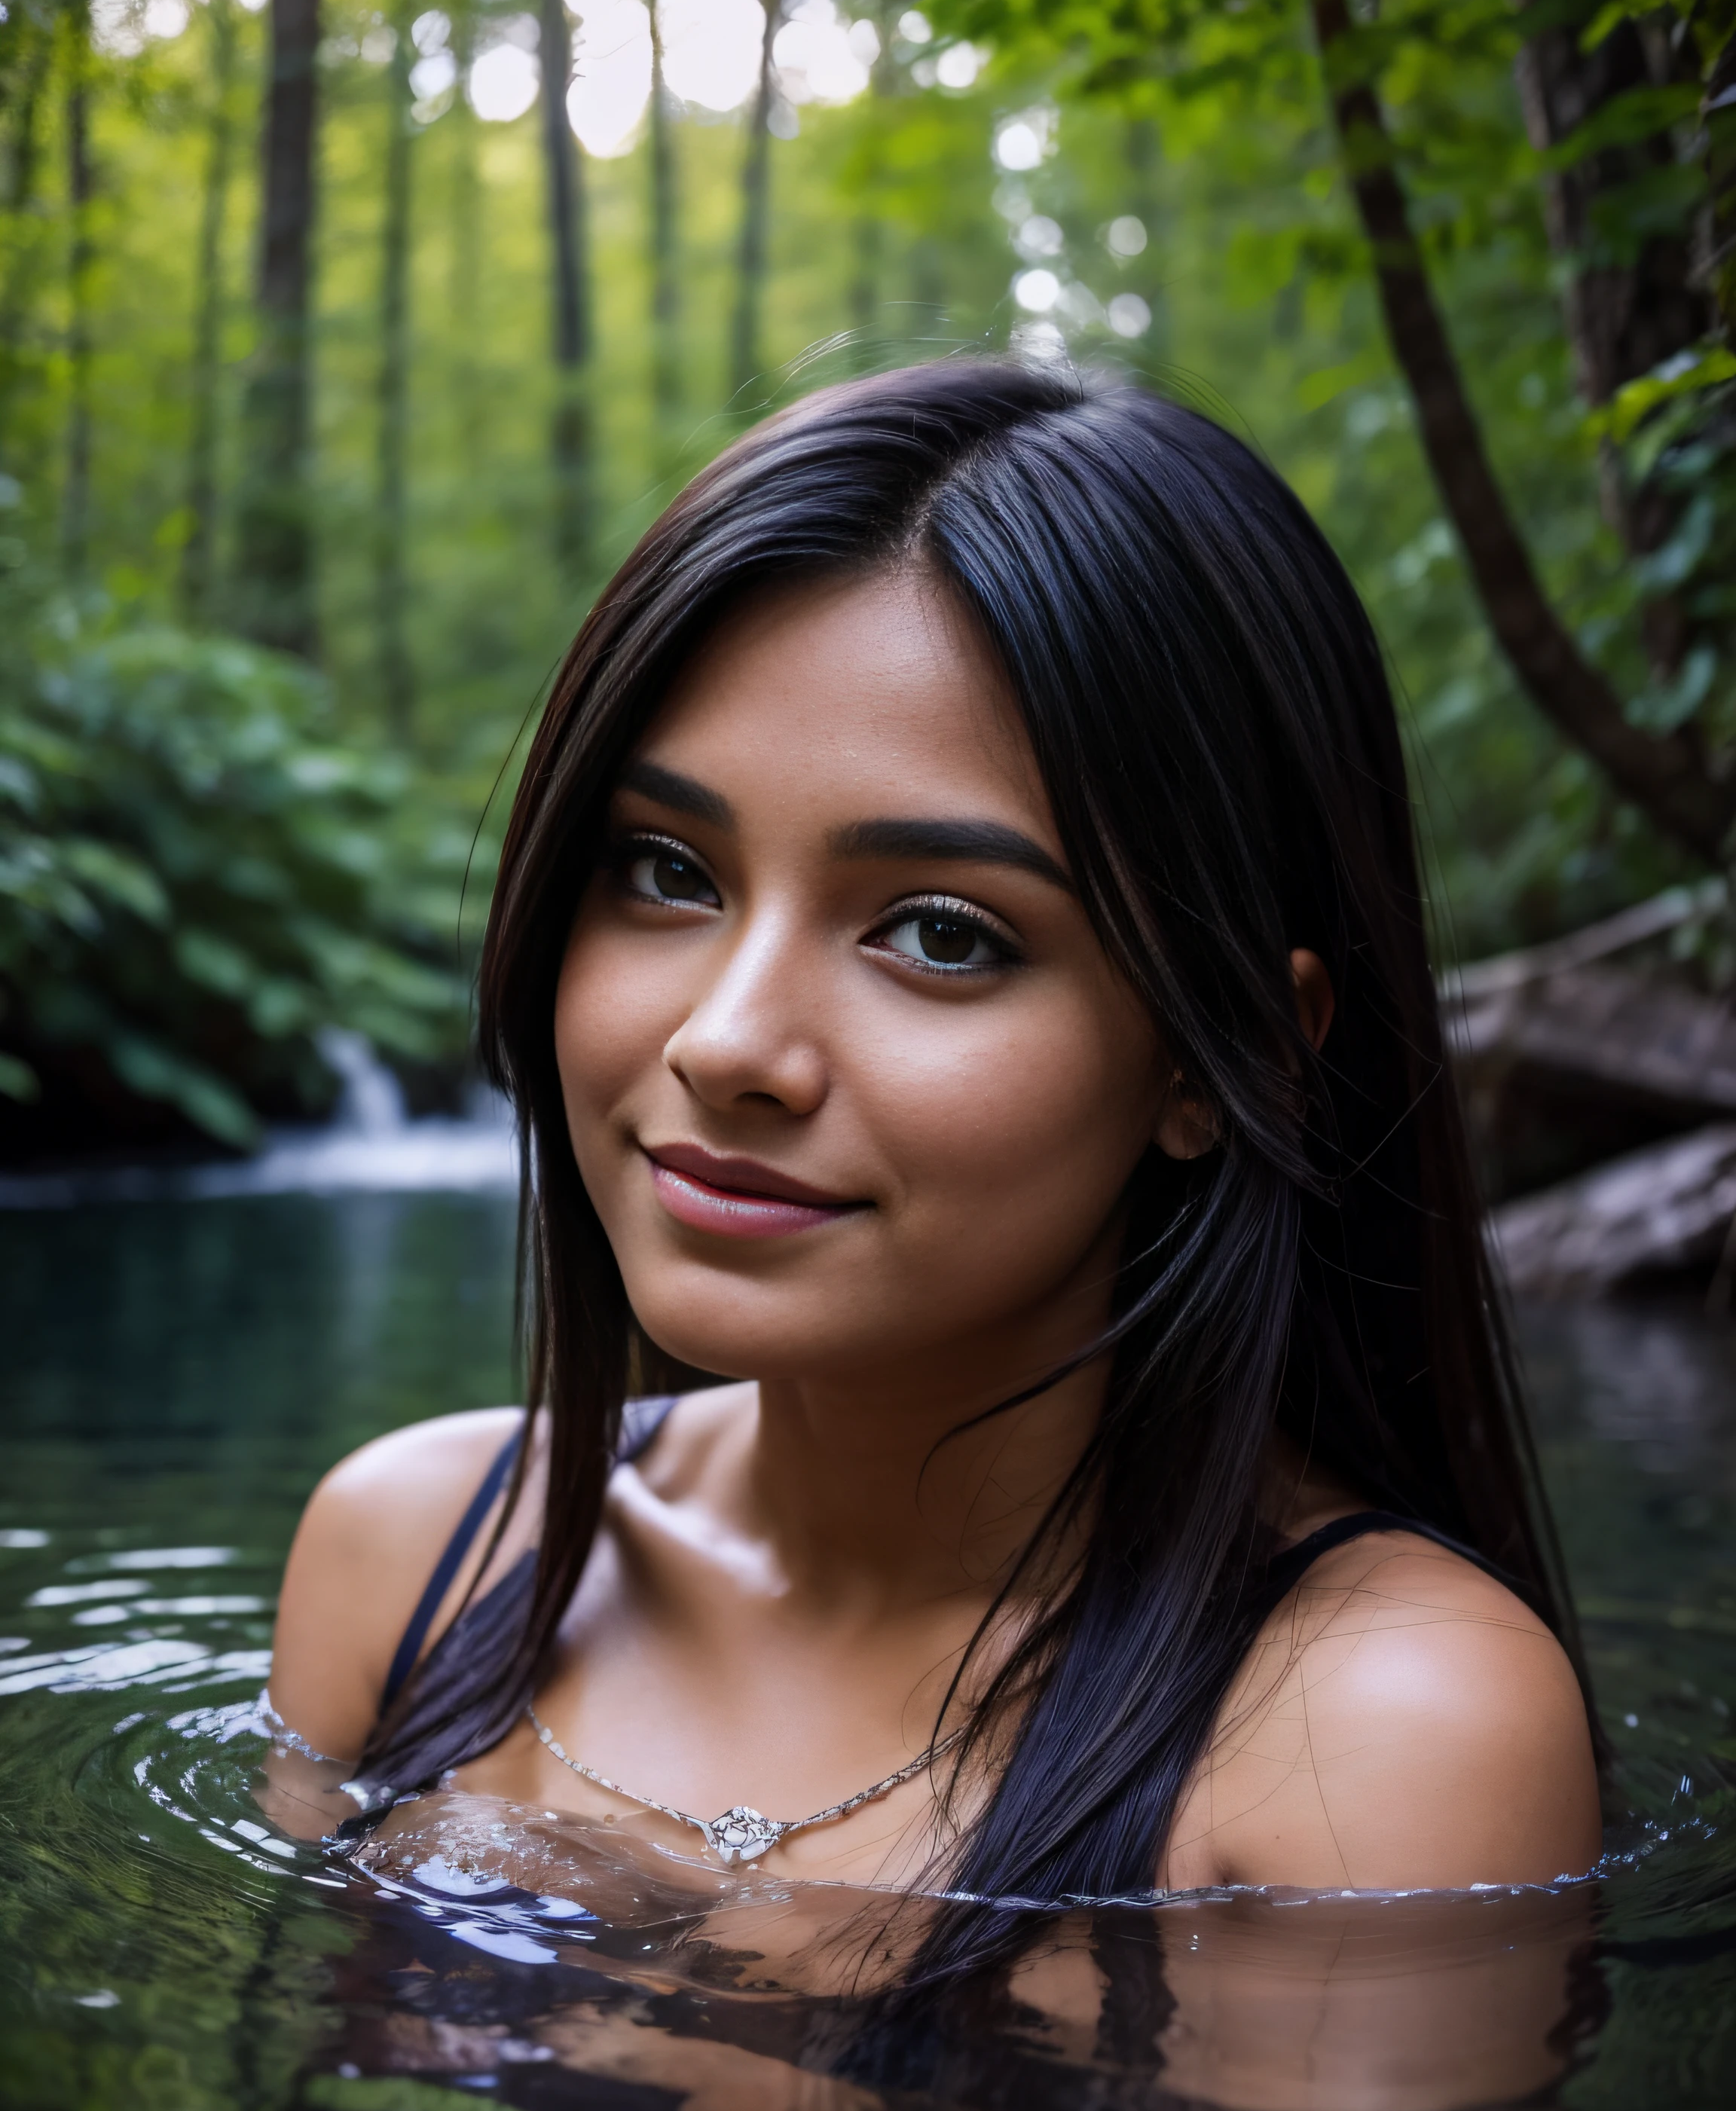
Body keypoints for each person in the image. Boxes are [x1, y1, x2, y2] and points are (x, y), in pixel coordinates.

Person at [267, 360, 1602, 1953]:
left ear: (1223, 1052)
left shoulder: (1378, 1734)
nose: (728, 1043)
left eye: (942, 934)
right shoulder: (409, 1559)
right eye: (666, 871)